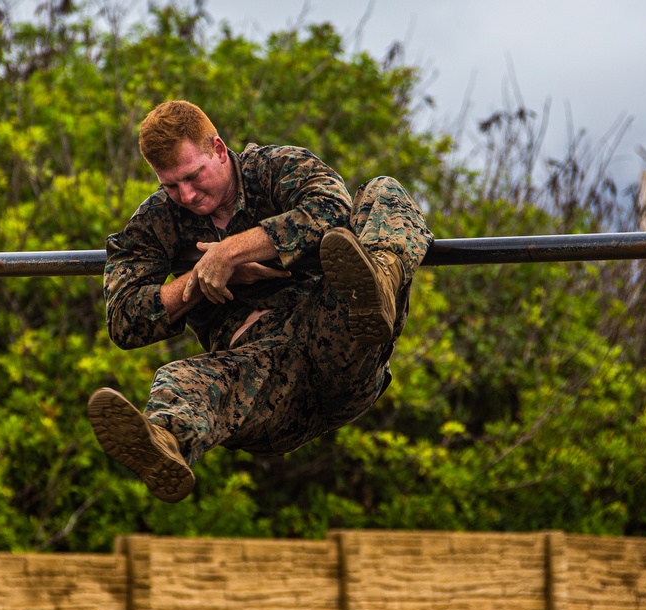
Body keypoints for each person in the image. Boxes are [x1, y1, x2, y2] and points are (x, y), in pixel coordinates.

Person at [88, 100, 433, 502]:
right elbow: (124, 319)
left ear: (218, 150)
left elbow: (332, 208)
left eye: (194, 176)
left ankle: (381, 280)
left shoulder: (275, 169)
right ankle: (168, 442)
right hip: (262, 382)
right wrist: (201, 278)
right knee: (181, 380)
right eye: (170, 185)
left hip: (339, 342)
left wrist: (232, 251)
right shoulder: (157, 220)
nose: (186, 194)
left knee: (383, 191)